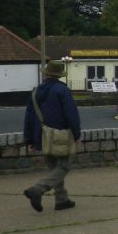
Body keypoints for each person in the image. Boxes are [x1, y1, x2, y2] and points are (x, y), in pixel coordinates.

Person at [22, 60, 81, 211]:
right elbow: (71, 114)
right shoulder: (62, 90)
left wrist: (29, 139)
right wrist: (76, 134)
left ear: (46, 73)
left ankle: (62, 199)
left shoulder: (35, 91)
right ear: (59, 75)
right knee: (64, 165)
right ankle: (38, 188)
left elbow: (29, 116)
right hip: (60, 134)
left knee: (53, 167)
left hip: (40, 135)